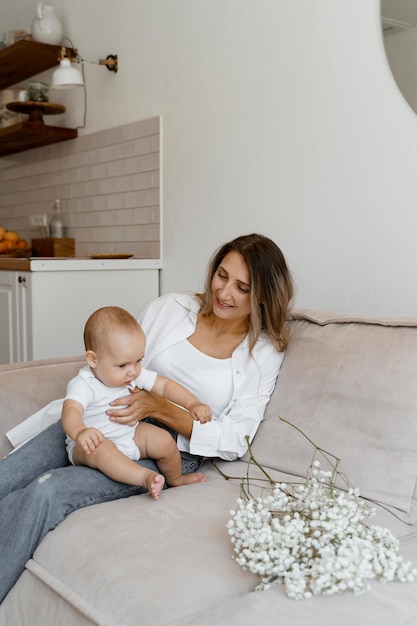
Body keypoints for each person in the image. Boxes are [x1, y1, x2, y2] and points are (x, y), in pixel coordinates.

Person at [0, 233, 294, 603]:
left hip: (164, 447)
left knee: (47, 490)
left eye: (242, 288)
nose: (224, 293)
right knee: (7, 476)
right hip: (100, 418)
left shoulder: (264, 351)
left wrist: (161, 408)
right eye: (222, 276)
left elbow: (238, 439)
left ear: (264, 295)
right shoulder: (171, 308)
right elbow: (113, 359)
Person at [62, 306, 210, 499]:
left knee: (164, 440)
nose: (133, 371)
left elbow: (164, 386)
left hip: (129, 435)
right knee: (102, 450)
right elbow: (70, 411)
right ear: (93, 359)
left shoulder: (131, 375)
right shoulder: (84, 384)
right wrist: (81, 432)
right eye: (123, 365)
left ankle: (176, 478)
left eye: (138, 361)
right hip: (90, 446)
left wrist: (192, 404)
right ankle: (144, 477)